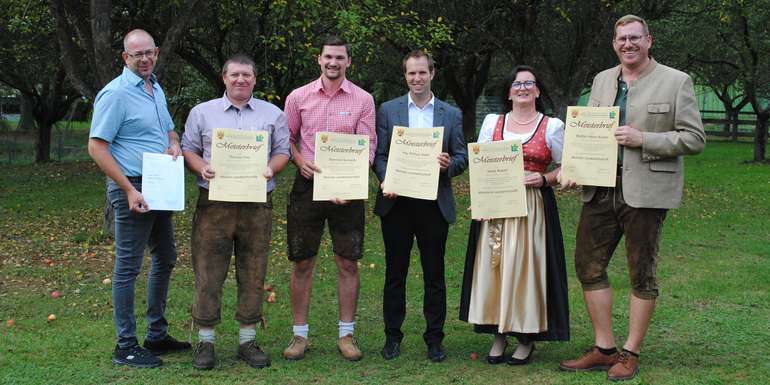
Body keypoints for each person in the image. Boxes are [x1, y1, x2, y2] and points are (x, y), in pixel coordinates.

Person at [558, 15, 705, 381]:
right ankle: (605, 348)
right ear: (614, 43)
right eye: (622, 38)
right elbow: (588, 131)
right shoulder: (602, 80)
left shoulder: (677, 81)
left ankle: (631, 351)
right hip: (600, 187)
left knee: (642, 273)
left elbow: (694, 139)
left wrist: (646, 140)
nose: (628, 44)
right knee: (587, 266)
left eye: (635, 38)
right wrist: (573, 168)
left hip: (646, 191)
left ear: (649, 41)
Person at [88, 29, 191, 368]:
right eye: (137, 55)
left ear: (157, 52)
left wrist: (174, 141)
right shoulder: (115, 94)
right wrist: (129, 190)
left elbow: (167, 130)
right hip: (132, 186)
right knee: (128, 267)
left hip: (160, 183)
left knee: (166, 257)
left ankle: (156, 334)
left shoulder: (154, 88)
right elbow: (97, 147)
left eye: (149, 52)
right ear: (125, 58)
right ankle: (125, 346)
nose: (144, 59)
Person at [181, 54, 290, 370]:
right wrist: (201, 165)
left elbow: (283, 151)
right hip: (214, 203)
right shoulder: (202, 112)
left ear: (255, 79)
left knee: (253, 271)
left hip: (257, 204)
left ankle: (247, 341)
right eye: (235, 75)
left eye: (247, 75)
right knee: (207, 273)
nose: (241, 80)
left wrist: (271, 168)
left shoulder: (273, 114)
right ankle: (206, 341)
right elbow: (189, 148)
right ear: (224, 78)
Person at [459, 65, 570, 366]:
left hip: (532, 207)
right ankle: (498, 333)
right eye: (517, 84)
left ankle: (525, 337)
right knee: (495, 269)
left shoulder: (552, 126)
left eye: (529, 83)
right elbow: (480, 164)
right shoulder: (493, 122)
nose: (523, 88)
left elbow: (567, 168)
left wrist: (545, 179)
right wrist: (479, 202)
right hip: (496, 206)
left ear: (537, 90)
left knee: (524, 269)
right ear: (509, 92)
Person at [282, 35, 376, 362]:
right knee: (302, 260)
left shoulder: (363, 100)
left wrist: (348, 182)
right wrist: (298, 160)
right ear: (318, 59)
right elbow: (287, 139)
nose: (333, 63)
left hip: (347, 191)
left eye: (340, 58)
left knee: (347, 261)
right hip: (307, 186)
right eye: (328, 57)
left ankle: (346, 334)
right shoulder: (298, 97)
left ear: (348, 61)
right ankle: (299, 335)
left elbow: (368, 146)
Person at [374, 50, 468, 362]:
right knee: (395, 275)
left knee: (434, 276)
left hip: (433, 205)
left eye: (422, 73)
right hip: (396, 204)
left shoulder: (450, 114)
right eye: (411, 74)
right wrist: (387, 180)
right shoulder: (388, 110)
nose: (417, 79)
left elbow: (461, 157)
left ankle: (435, 339)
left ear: (432, 74)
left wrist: (447, 165)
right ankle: (392, 337)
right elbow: (380, 155)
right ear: (405, 76)